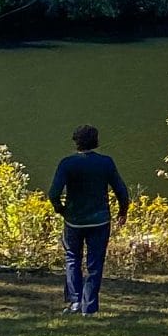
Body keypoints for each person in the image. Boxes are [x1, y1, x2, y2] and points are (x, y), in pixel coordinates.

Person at [48, 125, 130, 316]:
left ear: (76, 142)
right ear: (96, 141)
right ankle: (89, 307)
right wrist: (122, 212)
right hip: (100, 221)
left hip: (74, 221)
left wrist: (61, 210)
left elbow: (53, 193)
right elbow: (121, 191)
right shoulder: (106, 163)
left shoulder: (67, 163)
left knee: (72, 258)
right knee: (95, 263)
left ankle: (75, 302)